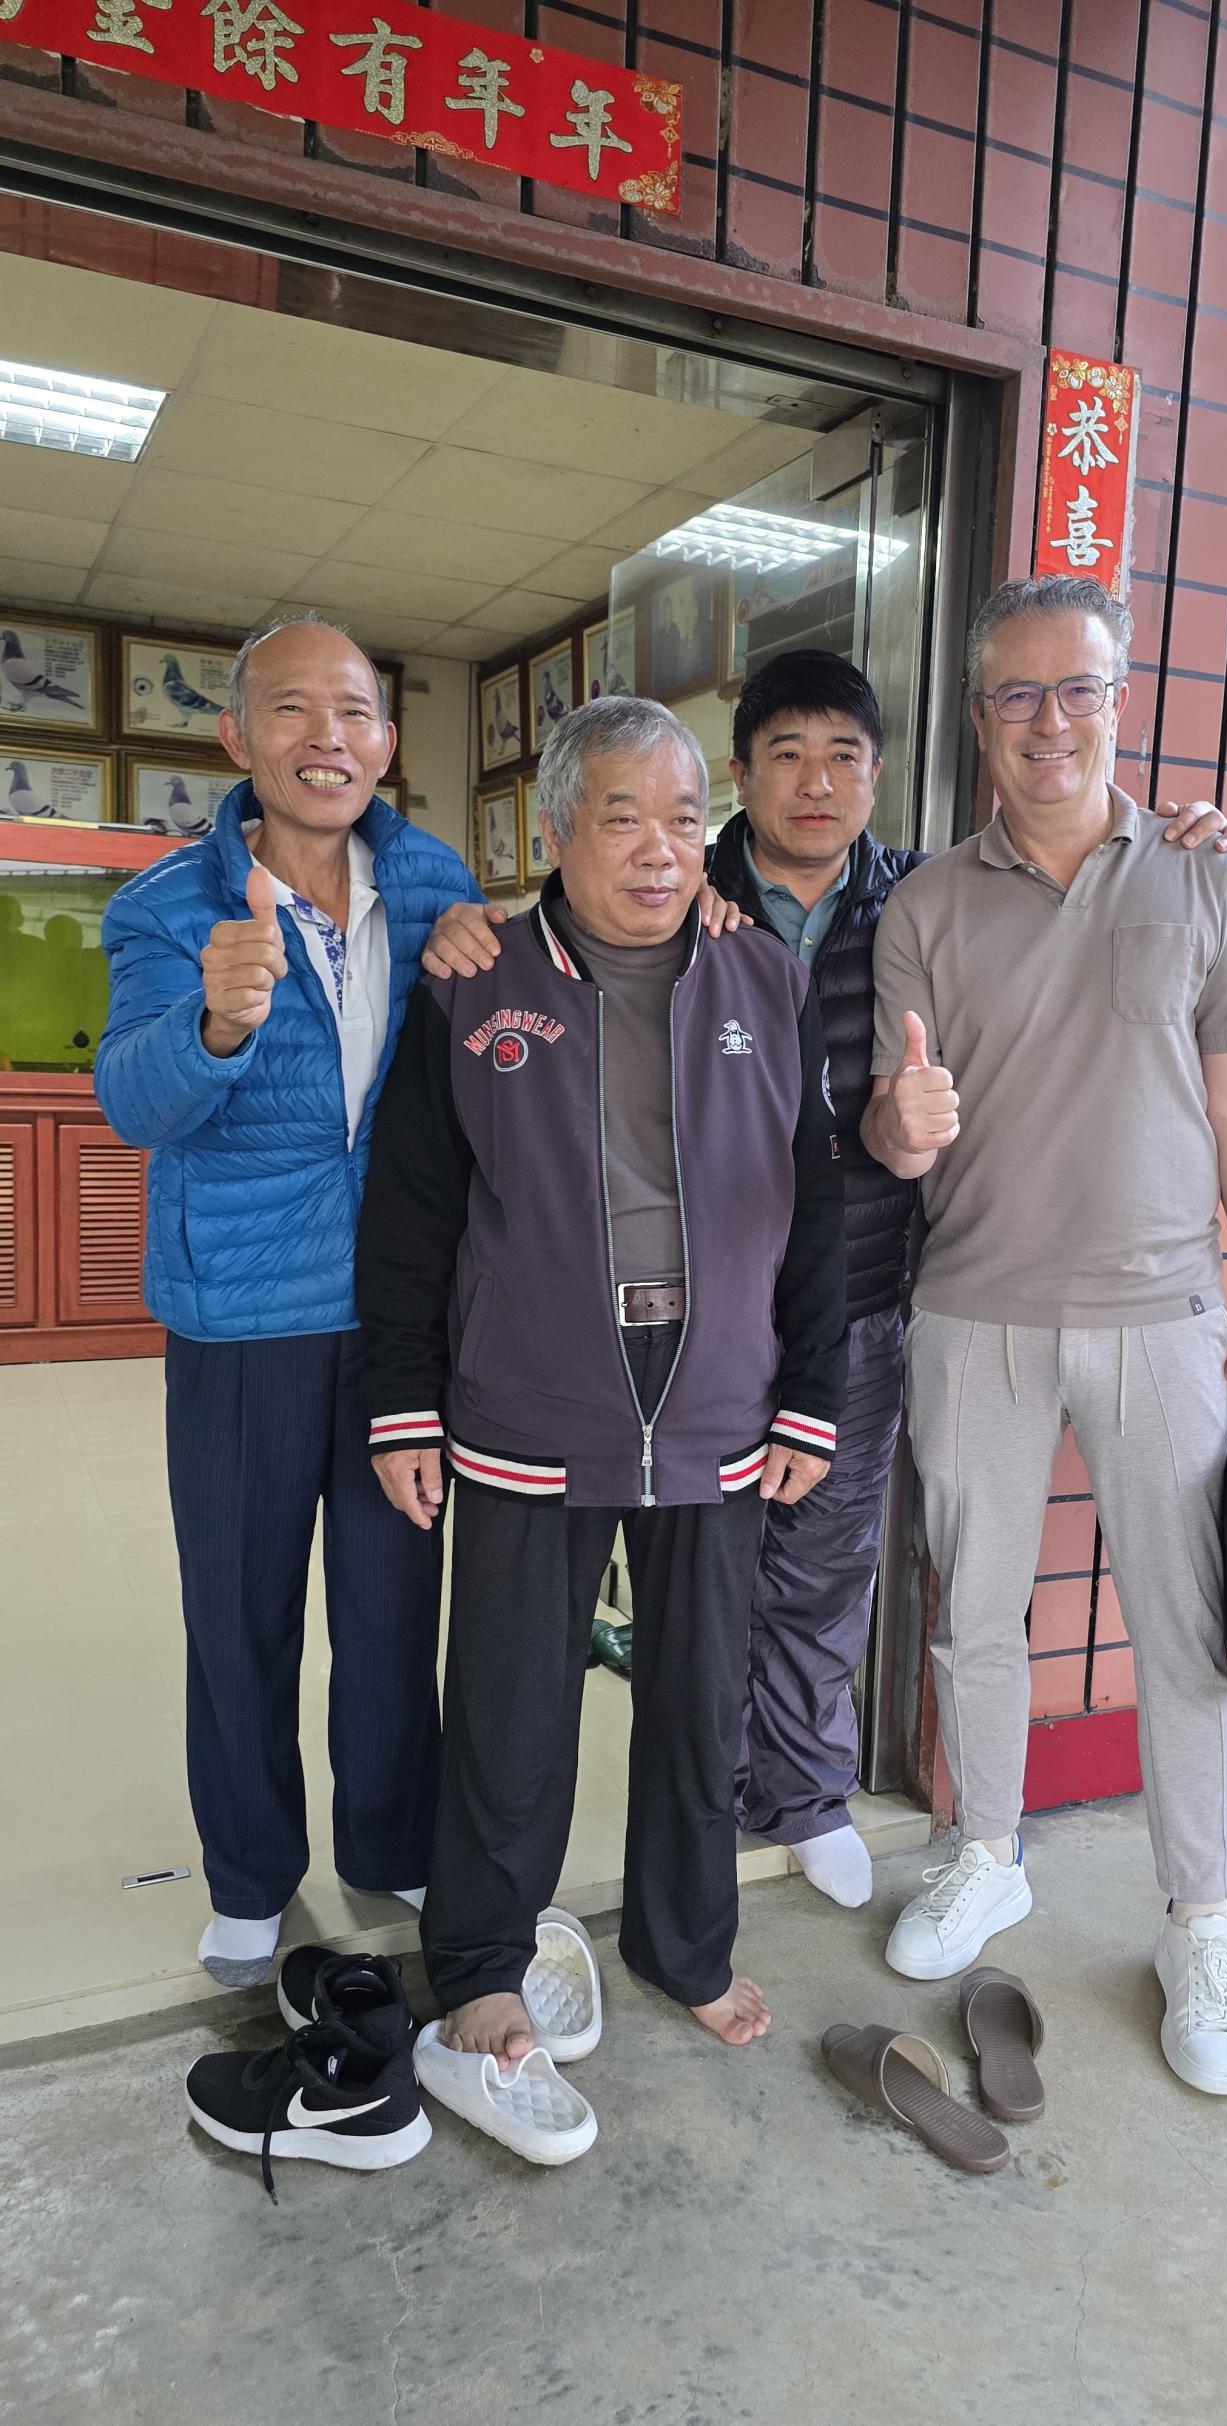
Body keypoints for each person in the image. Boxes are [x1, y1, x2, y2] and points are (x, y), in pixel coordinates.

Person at [706, 648, 1227, 1911]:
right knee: (703, 1571)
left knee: (829, 1565)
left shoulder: (909, 894)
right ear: (740, 775)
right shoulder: (688, 898)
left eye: (843, 756)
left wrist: (1205, 837)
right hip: (710, 1301)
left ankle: (805, 1792)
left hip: (860, 1294)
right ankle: (702, 1801)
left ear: (879, 773)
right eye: (786, 755)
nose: (816, 781)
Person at [357, 694, 847, 2081]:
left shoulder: (764, 978)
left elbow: (815, 1205)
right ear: (557, 830)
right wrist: (403, 1397)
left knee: (698, 1702)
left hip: (717, 1396)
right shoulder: (473, 980)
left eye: (684, 819)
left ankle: (683, 1946)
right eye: (621, 818)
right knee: (508, 1706)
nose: (657, 849)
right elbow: (413, 1207)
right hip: (531, 1393)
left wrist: (810, 1393)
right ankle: (481, 1959)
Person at [863, 573, 1227, 2096]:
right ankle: (987, 1852)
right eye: (1017, 693)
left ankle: (1200, 1921)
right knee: (971, 1610)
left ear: (1118, 698)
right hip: (971, 1308)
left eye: (1079, 689)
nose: (1050, 721)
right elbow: (894, 1136)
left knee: (1185, 1631)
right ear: (978, 715)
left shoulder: (1202, 872)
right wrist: (901, 1126)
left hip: (1168, 1315)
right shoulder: (922, 904)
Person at [95, 613, 501, 1988]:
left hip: (398, 1322)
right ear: (237, 736)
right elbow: (132, 1099)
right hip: (239, 1321)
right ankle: (251, 1873)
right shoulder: (167, 905)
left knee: (390, 1607)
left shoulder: (433, 879)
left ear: (386, 740)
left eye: (355, 711)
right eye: (291, 708)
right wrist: (214, 1022)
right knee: (241, 1615)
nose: (327, 737)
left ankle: (388, 1838)